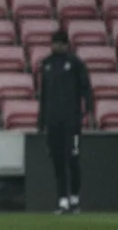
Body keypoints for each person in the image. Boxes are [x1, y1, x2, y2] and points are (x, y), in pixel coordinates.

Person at [38, 30, 93, 215]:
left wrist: (89, 109)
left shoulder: (76, 63)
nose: (55, 47)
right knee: (58, 162)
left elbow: (86, 87)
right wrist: (41, 121)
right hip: (53, 122)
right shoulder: (46, 65)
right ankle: (62, 199)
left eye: (58, 44)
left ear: (65, 44)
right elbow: (43, 95)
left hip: (72, 121)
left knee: (73, 159)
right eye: (53, 43)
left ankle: (75, 197)